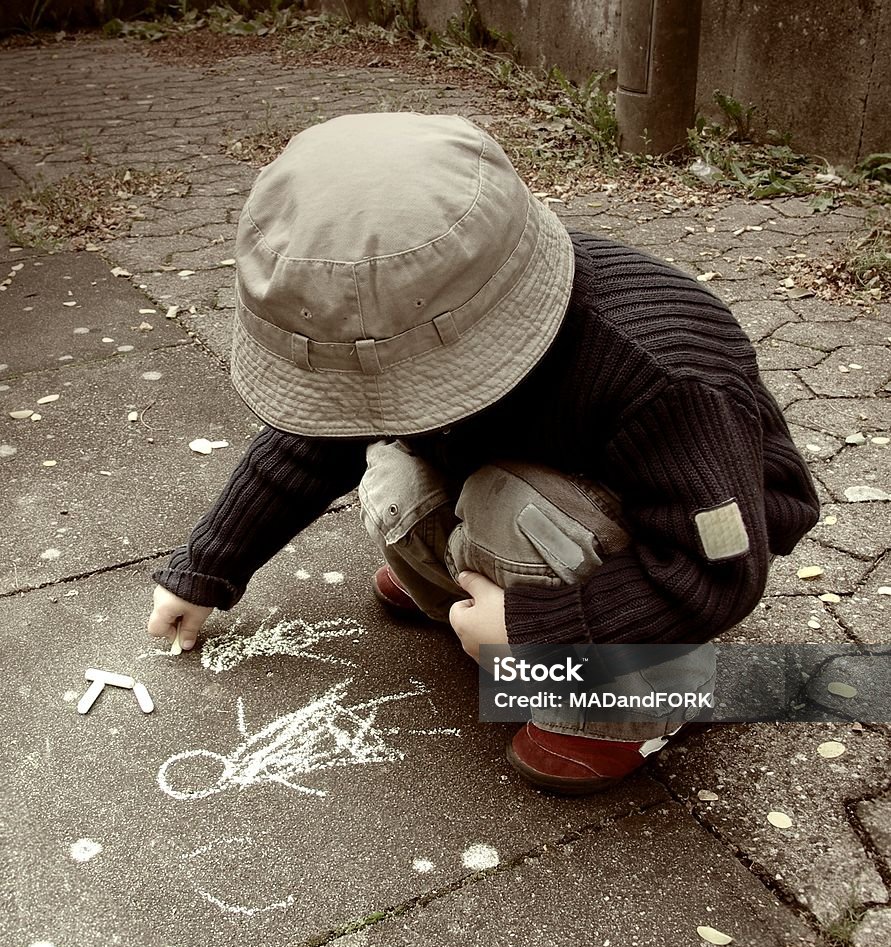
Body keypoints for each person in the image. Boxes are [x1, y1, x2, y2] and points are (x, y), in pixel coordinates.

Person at [147, 112, 820, 795]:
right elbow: (316, 439)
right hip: (538, 484)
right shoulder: (426, 305)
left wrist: (534, 628)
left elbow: (716, 572)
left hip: (683, 535)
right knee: (395, 469)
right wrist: (207, 567)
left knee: (512, 508)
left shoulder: (667, 375)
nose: (382, 392)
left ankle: (631, 707)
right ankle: (465, 574)